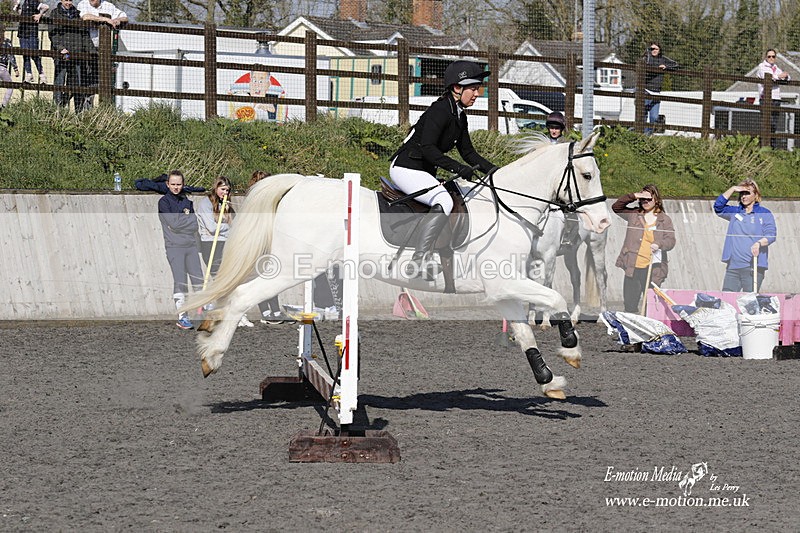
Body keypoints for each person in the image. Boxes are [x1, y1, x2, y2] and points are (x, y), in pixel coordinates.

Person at [389, 60, 497, 279]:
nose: (477, 94)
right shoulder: (440, 110)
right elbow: (427, 148)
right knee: (445, 201)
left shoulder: (459, 115)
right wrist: (458, 168)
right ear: (457, 88)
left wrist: (496, 171)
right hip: (406, 167)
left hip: (422, 170)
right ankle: (418, 260)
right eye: (474, 88)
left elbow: (469, 153)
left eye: (479, 89)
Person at [194, 176, 253, 328]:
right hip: (210, 245)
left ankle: (234, 312)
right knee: (219, 279)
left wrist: (226, 216)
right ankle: (222, 311)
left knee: (229, 279)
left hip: (226, 244)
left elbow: (236, 225)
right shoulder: (205, 203)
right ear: (216, 188)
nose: (225, 193)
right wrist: (226, 225)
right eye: (222, 189)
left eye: (227, 190)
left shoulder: (226, 204)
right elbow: (212, 228)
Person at [612, 185, 676, 313]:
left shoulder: (664, 220)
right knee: (630, 306)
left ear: (656, 199)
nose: (645, 202)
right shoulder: (634, 215)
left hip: (653, 269)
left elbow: (671, 241)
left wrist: (659, 244)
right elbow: (616, 207)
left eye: (648, 199)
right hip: (632, 267)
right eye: (642, 200)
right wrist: (635, 195)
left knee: (651, 307)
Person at [157, 170, 204, 330]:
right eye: (173, 184)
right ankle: (182, 316)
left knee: (198, 279)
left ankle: (202, 312)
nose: (176, 187)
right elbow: (174, 225)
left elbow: (194, 224)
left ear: (183, 185)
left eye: (179, 184)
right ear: (168, 184)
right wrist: (184, 222)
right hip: (174, 247)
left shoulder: (187, 201)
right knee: (180, 280)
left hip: (190, 245)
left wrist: (182, 222)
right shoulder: (164, 202)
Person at [714, 179, 776, 292]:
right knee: (727, 302)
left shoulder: (764, 213)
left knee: (749, 305)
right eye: (741, 193)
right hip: (733, 268)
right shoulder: (735, 212)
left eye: (747, 193)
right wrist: (733, 189)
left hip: (753, 268)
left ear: (756, 195)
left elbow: (771, 235)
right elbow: (718, 207)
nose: (743, 196)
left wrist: (759, 243)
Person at [76, 0, 127, 110]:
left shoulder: (108, 6)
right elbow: (85, 17)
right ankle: (81, 110)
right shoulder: (83, 3)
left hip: (102, 50)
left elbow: (124, 17)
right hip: (84, 49)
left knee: (97, 80)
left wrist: (117, 20)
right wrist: (106, 19)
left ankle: (94, 110)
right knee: (82, 80)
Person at [47, 0, 94, 110]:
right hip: (63, 54)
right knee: (60, 79)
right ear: (61, 0)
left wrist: (91, 50)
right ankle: (58, 109)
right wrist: (60, 47)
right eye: (66, 0)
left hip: (76, 54)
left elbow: (84, 34)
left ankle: (78, 110)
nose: (68, 2)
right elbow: (52, 33)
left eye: (70, 0)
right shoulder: (55, 13)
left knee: (76, 82)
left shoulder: (78, 14)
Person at [756, 49, 790, 148]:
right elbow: (769, 77)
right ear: (766, 57)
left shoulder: (775, 67)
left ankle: (772, 146)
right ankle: (763, 145)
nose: (771, 58)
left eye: (773, 56)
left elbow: (787, 77)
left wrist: (785, 76)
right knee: (766, 123)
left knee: (774, 124)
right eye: (769, 56)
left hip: (776, 98)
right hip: (766, 99)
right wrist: (780, 76)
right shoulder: (762, 67)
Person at [643, 42, 679, 134]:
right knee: (643, 115)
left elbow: (676, 65)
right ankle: (642, 136)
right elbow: (641, 65)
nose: (653, 51)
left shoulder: (663, 59)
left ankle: (648, 135)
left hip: (656, 93)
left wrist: (666, 67)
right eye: (651, 49)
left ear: (659, 50)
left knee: (654, 117)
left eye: (656, 49)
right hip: (646, 91)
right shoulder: (646, 59)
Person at [13, 0, 49, 84]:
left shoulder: (33, 2)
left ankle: (42, 75)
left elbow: (46, 7)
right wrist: (17, 7)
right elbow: (22, 14)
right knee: (25, 54)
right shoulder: (24, 3)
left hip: (32, 32)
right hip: (22, 32)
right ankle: (29, 74)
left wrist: (40, 15)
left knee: (34, 54)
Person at [1, 31, 20, 107]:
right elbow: (11, 56)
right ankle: (4, 105)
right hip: (2, 67)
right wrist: (15, 69)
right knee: (10, 86)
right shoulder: (7, 42)